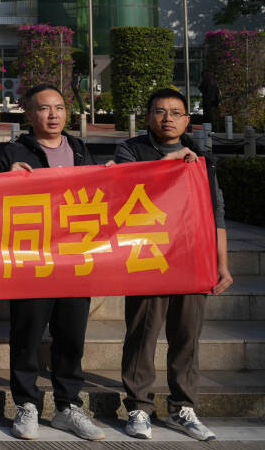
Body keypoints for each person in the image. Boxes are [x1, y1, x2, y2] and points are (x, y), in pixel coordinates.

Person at [113, 88, 232, 442]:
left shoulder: (201, 158)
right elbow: (126, 187)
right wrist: (170, 164)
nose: (168, 118)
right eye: (160, 111)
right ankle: (138, 406)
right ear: (148, 116)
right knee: (143, 332)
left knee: (186, 335)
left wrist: (222, 264)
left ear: (187, 120)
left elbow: (216, 212)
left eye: (176, 112)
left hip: (192, 256)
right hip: (147, 255)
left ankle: (184, 407)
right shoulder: (130, 150)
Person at [0, 84, 104, 441]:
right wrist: (6, 176)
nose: (53, 115)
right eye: (44, 108)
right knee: (27, 335)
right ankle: (26, 403)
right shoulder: (15, 151)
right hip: (31, 260)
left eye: (59, 108)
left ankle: (68, 407)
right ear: (29, 114)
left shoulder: (80, 150)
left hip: (74, 261)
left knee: (71, 336)